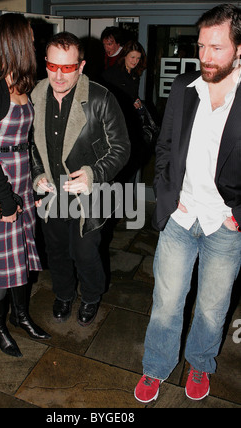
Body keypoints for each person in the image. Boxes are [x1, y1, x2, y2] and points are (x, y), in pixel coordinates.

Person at [134, 3, 241, 403]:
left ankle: (200, 362)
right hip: (181, 217)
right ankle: (155, 368)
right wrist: (167, 195)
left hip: (224, 225)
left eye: (217, 48)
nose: (206, 57)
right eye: (201, 46)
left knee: (213, 309)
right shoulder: (184, 87)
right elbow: (164, 146)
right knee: (165, 303)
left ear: (239, 49)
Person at [31, 32, 130, 326]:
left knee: (85, 252)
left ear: (81, 66)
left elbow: (122, 148)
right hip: (53, 194)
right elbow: (29, 145)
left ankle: (90, 295)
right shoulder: (35, 95)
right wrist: (37, 175)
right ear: (45, 63)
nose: (59, 76)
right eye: (53, 66)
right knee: (56, 251)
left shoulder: (100, 98)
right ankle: (63, 294)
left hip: (90, 195)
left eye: (68, 68)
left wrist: (93, 174)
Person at [0, 13, 51, 358]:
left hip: (21, 179)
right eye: (30, 40)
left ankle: (20, 316)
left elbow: (27, 142)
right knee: (2, 265)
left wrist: (36, 178)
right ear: (16, 43)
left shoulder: (23, 83)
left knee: (22, 256)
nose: (34, 45)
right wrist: (5, 199)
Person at [102, 40, 147, 182]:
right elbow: (108, 100)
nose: (135, 61)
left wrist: (136, 102)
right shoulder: (112, 74)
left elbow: (131, 95)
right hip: (116, 125)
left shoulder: (134, 75)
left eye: (138, 58)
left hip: (131, 124)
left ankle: (124, 198)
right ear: (125, 56)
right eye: (132, 57)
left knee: (131, 164)